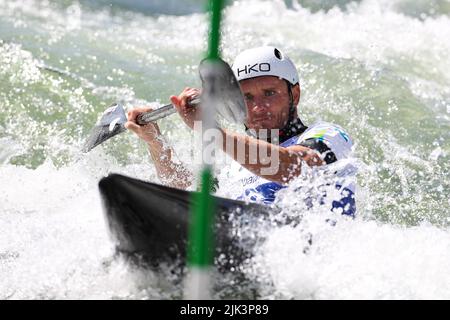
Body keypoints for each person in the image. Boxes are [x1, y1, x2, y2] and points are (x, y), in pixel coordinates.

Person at [125, 46, 356, 216]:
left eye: (269, 93)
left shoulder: (329, 135)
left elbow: (292, 166)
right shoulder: (237, 161)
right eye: (247, 97)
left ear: (294, 95)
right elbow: (187, 196)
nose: (258, 107)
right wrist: (155, 141)